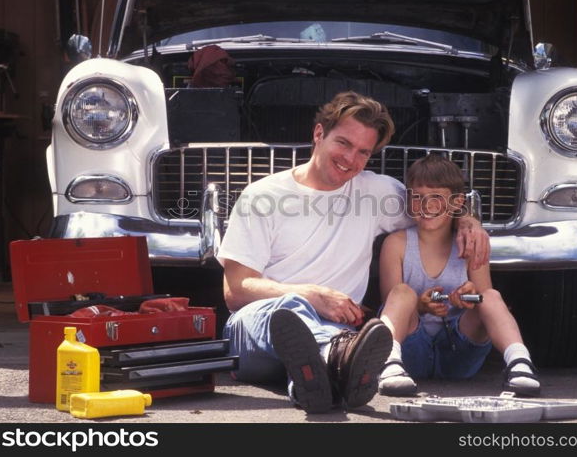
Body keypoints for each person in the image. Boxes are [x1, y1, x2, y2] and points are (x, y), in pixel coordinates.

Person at [216, 91, 490, 413]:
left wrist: (468, 220)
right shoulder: (262, 196)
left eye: (363, 152)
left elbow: (434, 210)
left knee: (318, 354)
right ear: (319, 134)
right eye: (343, 143)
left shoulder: (374, 192)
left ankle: (314, 380)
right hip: (258, 328)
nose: (351, 159)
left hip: (338, 331)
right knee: (289, 311)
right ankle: (334, 362)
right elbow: (235, 291)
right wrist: (310, 296)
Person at [377, 154, 540, 397]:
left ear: (456, 202)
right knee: (402, 292)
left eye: (437, 199)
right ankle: (389, 363)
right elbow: (389, 304)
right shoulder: (396, 244)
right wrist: (421, 307)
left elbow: (481, 302)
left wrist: (468, 298)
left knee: (490, 296)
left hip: (458, 348)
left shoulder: (470, 243)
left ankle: (520, 364)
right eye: (418, 197)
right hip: (411, 349)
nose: (426, 206)